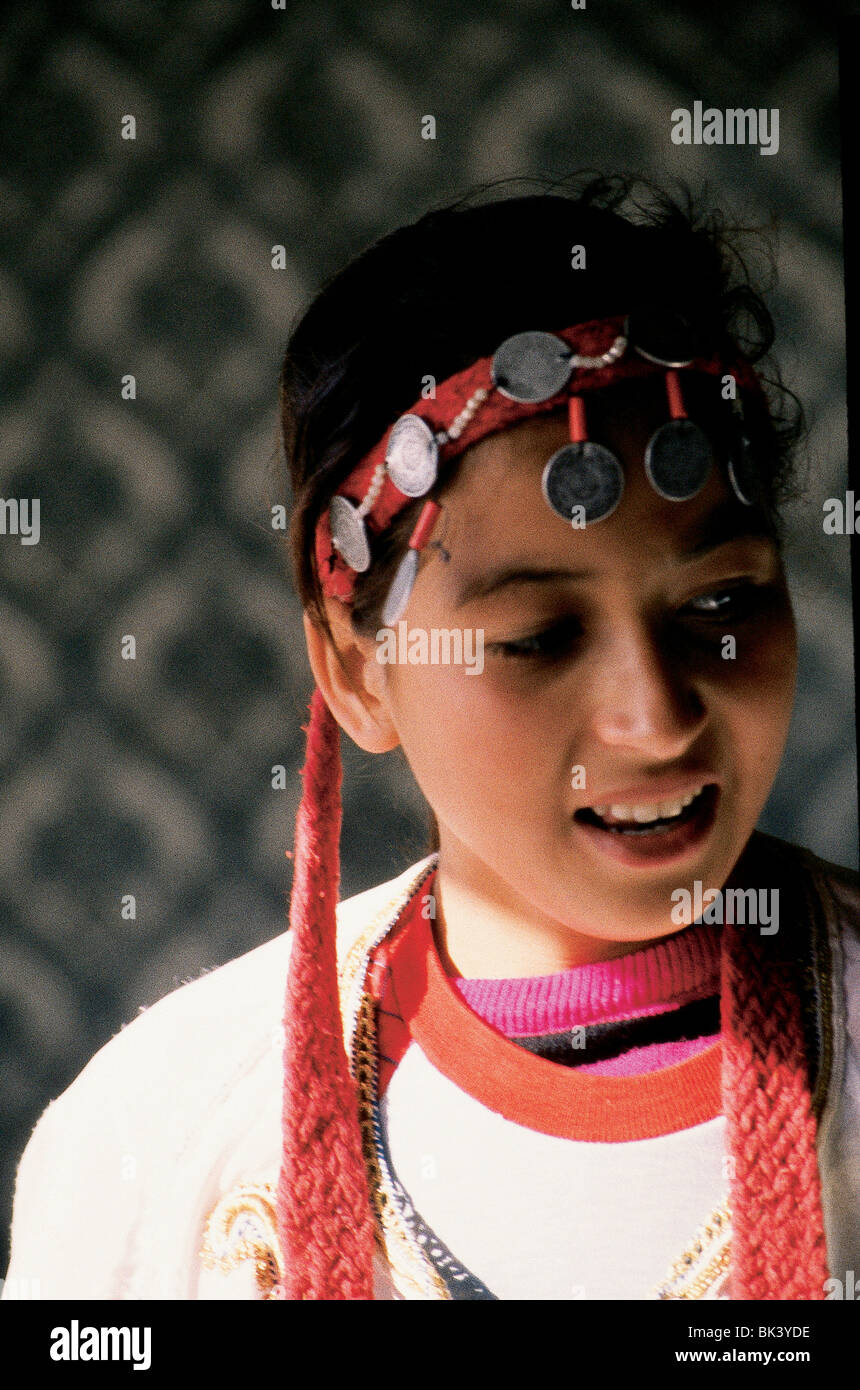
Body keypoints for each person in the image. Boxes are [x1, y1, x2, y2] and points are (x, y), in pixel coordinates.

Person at [4, 176, 859, 1302]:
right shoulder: (151, 1147)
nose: (654, 717)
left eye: (717, 605)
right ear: (356, 671)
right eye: (539, 638)